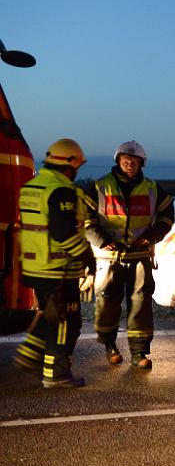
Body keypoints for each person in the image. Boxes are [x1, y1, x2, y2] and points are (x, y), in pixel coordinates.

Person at [84, 140, 174, 369]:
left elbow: (166, 215)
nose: (130, 164)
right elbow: (85, 219)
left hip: (139, 256)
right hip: (108, 258)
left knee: (141, 305)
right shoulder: (99, 186)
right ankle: (109, 346)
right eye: (126, 160)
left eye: (134, 161)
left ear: (141, 163)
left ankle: (139, 353)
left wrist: (153, 235)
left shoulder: (152, 188)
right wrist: (102, 241)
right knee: (107, 302)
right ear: (118, 161)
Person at [13, 138, 95, 388]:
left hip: (35, 266)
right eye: (77, 166)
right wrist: (86, 256)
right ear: (70, 163)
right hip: (57, 269)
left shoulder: (33, 186)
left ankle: (29, 356)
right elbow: (63, 233)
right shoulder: (61, 190)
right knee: (65, 321)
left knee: (50, 315)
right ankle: (56, 374)